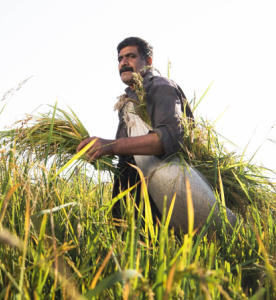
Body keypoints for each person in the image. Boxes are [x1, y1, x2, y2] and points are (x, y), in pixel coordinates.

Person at [77, 37, 236, 231]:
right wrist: (98, 154)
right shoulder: (126, 103)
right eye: (120, 59)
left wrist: (109, 145)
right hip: (136, 194)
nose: (123, 63)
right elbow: (127, 155)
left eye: (131, 56)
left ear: (149, 61)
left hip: (164, 187)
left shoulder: (160, 87)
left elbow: (166, 138)